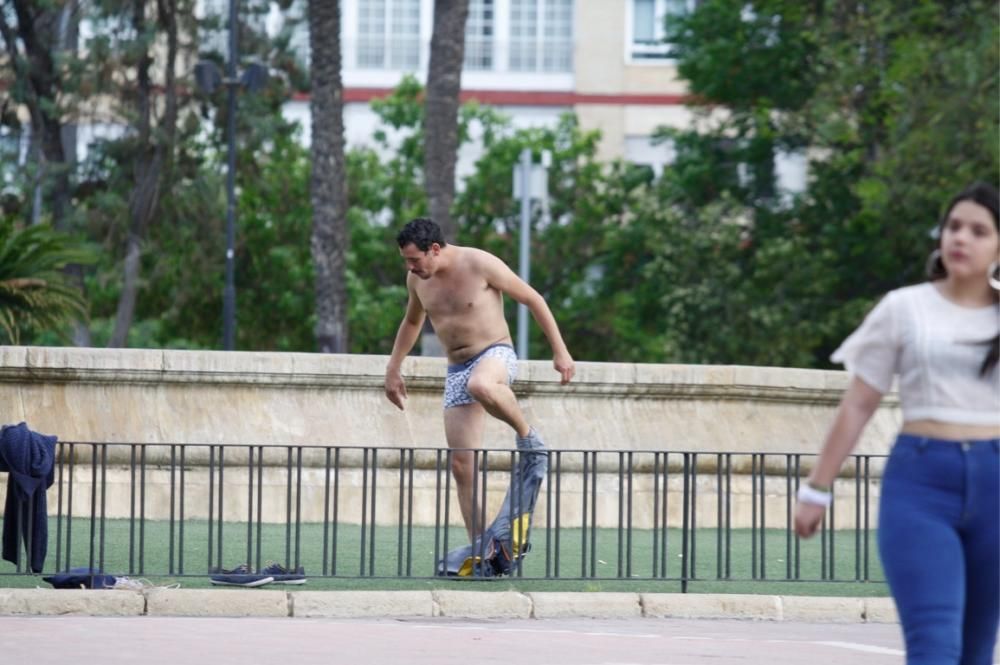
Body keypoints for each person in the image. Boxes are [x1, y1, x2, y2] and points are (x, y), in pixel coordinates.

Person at [794, 182, 1000, 665]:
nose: (961, 239)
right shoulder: (905, 308)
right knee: (934, 644)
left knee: (976, 652)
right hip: (922, 484)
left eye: (978, 230)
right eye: (953, 227)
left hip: (996, 485)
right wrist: (816, 490)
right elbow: (858, 405)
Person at [384, 217, 575, 543]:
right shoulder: (416, 281)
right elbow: (412, 322)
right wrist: (393, 368)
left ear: (434, 249)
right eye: (406, 261)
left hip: (494, 355)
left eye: (414, 260)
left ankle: (530, 440)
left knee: (482, 385)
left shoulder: (479, 263)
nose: (411, 267)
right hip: (457, 368)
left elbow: (533, 299)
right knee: (462, 465)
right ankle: (483, 549)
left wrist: (561, 352)